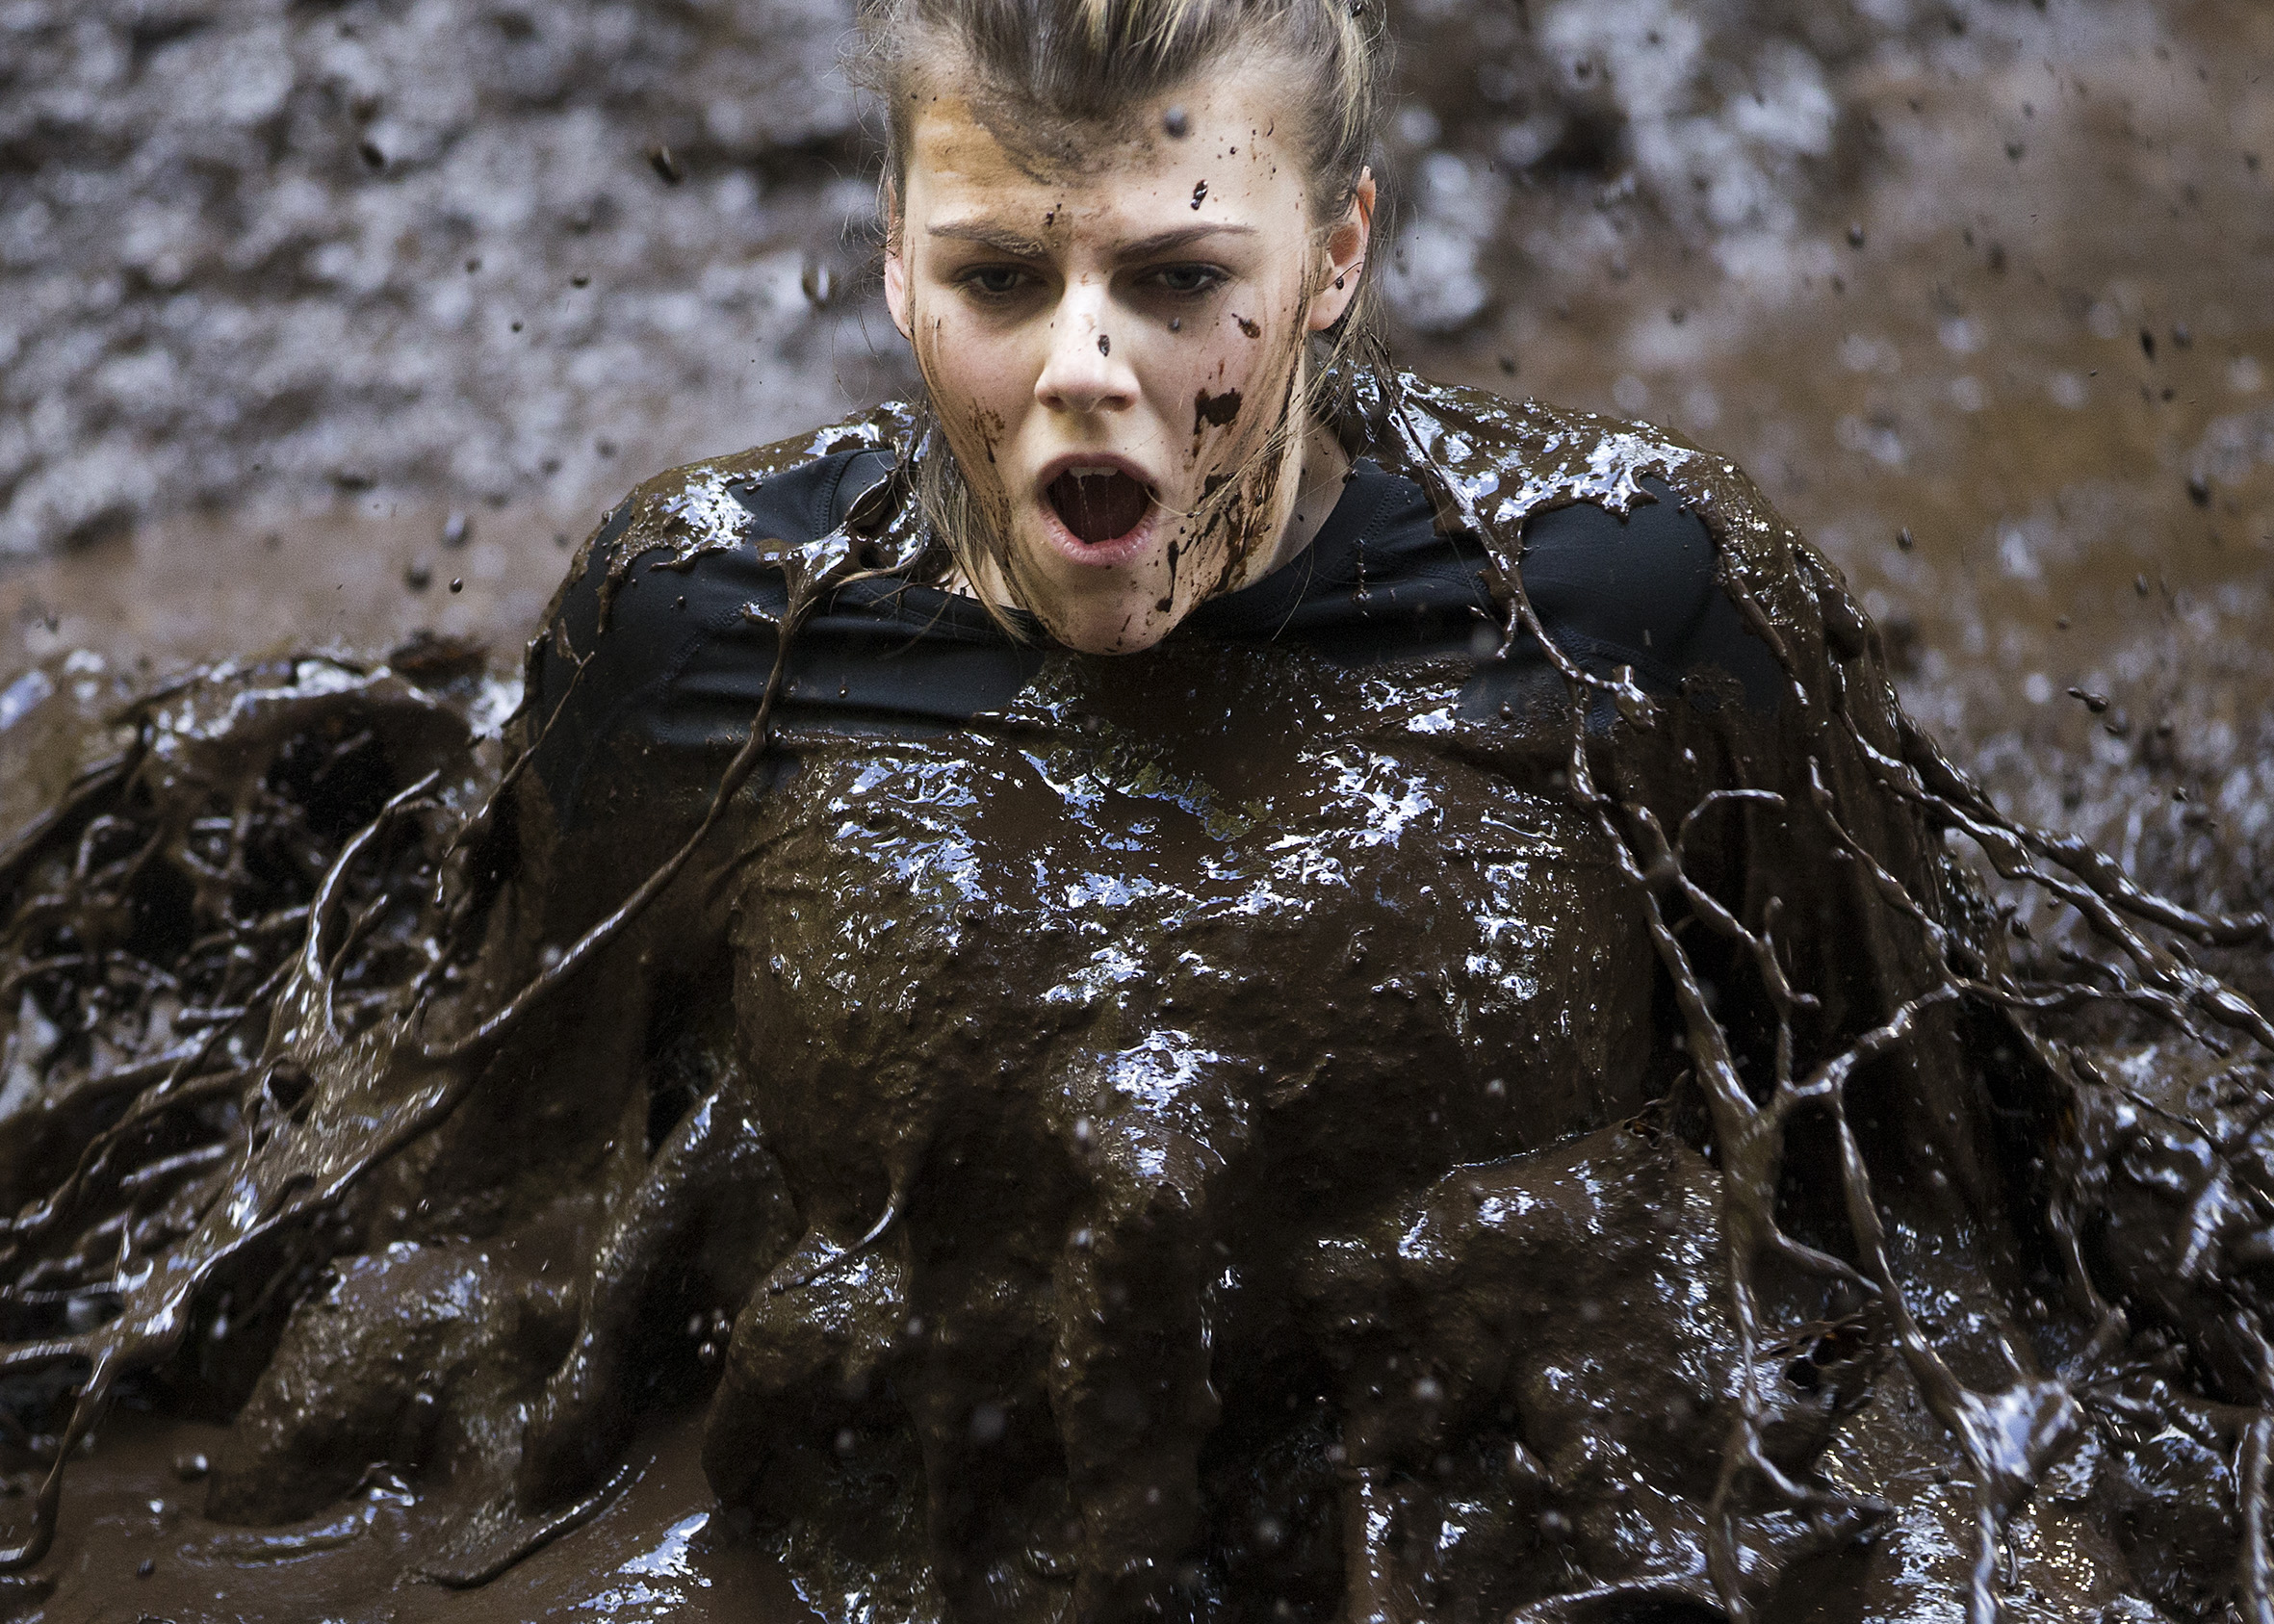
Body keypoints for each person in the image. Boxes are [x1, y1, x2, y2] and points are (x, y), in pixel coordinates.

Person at [2, 0, 2268, 1619]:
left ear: (1333, 261)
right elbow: (507, 1250)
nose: (1084, 365)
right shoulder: (704, 635)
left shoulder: (1636, 601)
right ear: (895, 260)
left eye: (1178, 278)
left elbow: (1942, 1249)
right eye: (1001, 278)